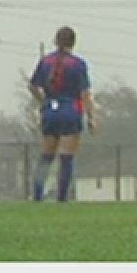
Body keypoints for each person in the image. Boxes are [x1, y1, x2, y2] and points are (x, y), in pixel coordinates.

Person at [30, 26, 95, 202]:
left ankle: (37, 195)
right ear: (73, 42)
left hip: (51, 109)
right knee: (67, 156)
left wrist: (43, 101)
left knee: (46, 155)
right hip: (70, 110)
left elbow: (33, 85)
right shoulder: (78, 64)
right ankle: (62, 198)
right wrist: (91, 117)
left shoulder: (45, 61)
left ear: (56, 41)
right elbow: (85, 93)